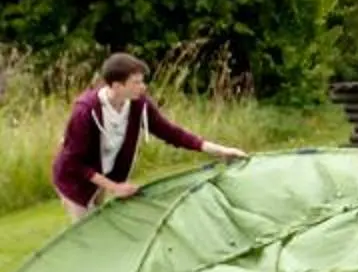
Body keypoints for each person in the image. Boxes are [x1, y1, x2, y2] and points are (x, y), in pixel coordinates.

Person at [51, 53, 248, 221]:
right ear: (117, 86)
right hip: (72, 180)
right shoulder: (85, 111)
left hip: (103, 174)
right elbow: (73, 163)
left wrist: (221, 150)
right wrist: (114, 187)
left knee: (101, 221)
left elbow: (171, 133)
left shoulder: (138, 104)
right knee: (88, 232)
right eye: (136, 82)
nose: (142, 87)